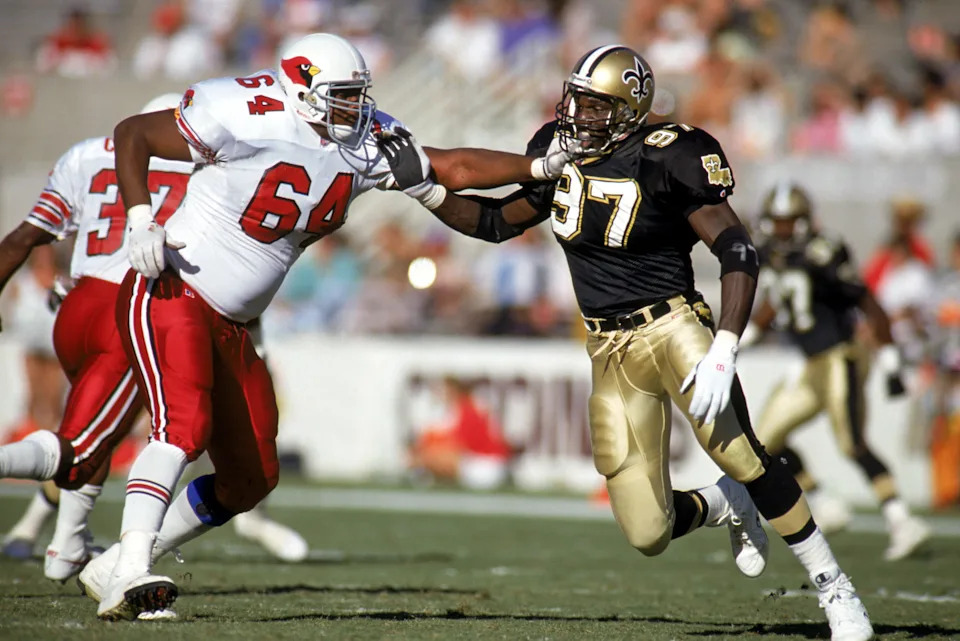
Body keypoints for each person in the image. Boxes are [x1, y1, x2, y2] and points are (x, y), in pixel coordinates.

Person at [377, 45, 875, 641]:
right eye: (576, 101)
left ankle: (834, 589)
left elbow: (738, 249)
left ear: (628, 109)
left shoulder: (672, 155)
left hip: (674, 328)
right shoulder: (557, 152)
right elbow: (493, 222)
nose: (578, 115)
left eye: (594, 106)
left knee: (741, 452)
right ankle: (723, 504)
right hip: (607, 350)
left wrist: (724, 345)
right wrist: (425, 193)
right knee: (647, 533)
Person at [78, 33, 576, 621]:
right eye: (341, 96)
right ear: (301, 87)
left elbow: (455, 167)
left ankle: (121, 559)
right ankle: (131, 570)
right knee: (183, 424)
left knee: (252, 478)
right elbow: (134, 133)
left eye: (359, 95)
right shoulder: (244, 110)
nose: (355, 108)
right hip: (174, 289)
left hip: (234, 322)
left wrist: (538, 165)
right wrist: (141, 218)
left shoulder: (365, 138)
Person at [0, 94, 307, 588]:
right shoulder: (215, 166)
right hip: (136, 301)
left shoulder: (87, 154)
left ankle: (67, 543)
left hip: (75, 306)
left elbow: (21, 240)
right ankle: (121, 563)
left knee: (98, 439)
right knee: (83, 447)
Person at [743, 183, 931, 561]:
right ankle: (824, 501)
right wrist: (737, 339)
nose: (781, 230)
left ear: (803, 221)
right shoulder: (769, 252)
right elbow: (773, 302)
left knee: (851, 442)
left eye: (788, 222)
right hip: (810, 363)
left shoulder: (823, 251)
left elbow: (867, 301)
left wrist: (891, 358)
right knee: (763, 442)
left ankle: (902, 519)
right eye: (776, 222)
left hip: (841, 355)